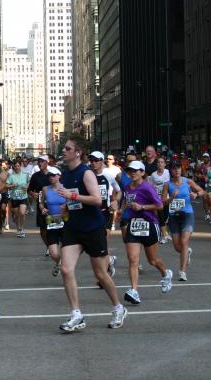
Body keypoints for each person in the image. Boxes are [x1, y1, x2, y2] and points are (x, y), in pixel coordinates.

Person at [56, 136, 127, 332]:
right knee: (66, 269)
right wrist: (67, 205)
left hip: (93, 228)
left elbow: (97, 200)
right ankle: (76, 314)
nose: (64, 150)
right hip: (73, 227)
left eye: (67, 148)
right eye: (64, 148)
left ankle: (118, 307)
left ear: (78, 152)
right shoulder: (65, 173)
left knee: (100, 274)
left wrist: (72, 196)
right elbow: (74, 199)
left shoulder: (86, 173)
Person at [121, 160, 173, 305]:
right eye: (130, 170)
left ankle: (166, 273)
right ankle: (134, 291)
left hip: (149, 225)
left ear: (142, 173)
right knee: (133, 260)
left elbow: (160, 205)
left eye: (135, 170)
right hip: (134, 225)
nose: (132, 173)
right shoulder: (127, 187)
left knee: (152, 260)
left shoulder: (147, 187)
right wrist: (121, 209)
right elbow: (127, 201)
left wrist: (142, 207)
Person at [163, 162, 203, 281]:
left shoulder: (188, 182)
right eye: (174, 169)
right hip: (174, 215)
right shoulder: (167, 184)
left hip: (187, 214)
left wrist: (195, 195)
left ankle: (182, 272)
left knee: (184, 242)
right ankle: (187, 252)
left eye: (178, 168)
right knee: (177, 246)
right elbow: (162, 202)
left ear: (181, 169)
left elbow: (202, 191)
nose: (177, 171)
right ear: (170, 171)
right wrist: (171, 197)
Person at [38, 166, 65, 276]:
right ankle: (59, 263)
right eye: (49, 175)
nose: (51, 177)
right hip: (52, 222)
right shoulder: (45, 189)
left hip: (65, 221)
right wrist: (42, 208)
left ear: (59, 176)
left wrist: (66, 206)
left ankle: (64, 269)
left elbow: (73, 201)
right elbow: (40, 202)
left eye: (53, 175)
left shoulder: (66, 187)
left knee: (65, 250)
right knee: (53, 253)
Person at [29, 156, 52, 247]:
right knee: (43, 229)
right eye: (38, 162)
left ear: (47, 162)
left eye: (42, 161)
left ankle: (53, 245)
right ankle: (48, 246)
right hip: (41, 204)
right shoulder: (35, 176)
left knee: (52, 226)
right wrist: (32, 194)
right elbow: (30, 189)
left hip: (53, 204)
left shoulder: (52, 175)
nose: (39, 163)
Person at [149, 157, 171, 243]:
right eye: (158, 162)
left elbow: (169, 184)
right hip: (157, 198)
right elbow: (151, 186)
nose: (160, 164)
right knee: (160, 216)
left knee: (166, 216)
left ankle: (166, 233)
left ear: (165, 164)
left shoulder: (167, 172)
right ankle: (164, 235)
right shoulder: (153, 175)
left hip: (166, 198)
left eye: (162, 162)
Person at [6, 160, 30, 237]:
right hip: (14, 198)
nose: (17, 167)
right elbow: (6, 185)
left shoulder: (25, 175)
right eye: (15, 166)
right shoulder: (11, 176)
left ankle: (22, 228)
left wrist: (26, 186)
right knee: (16, 215)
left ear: (20, 166)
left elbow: (30, 182)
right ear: (13, 167)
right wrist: (13, 185)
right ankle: (18, 228)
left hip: (23, 197)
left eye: (18, 166)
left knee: (22, 213)